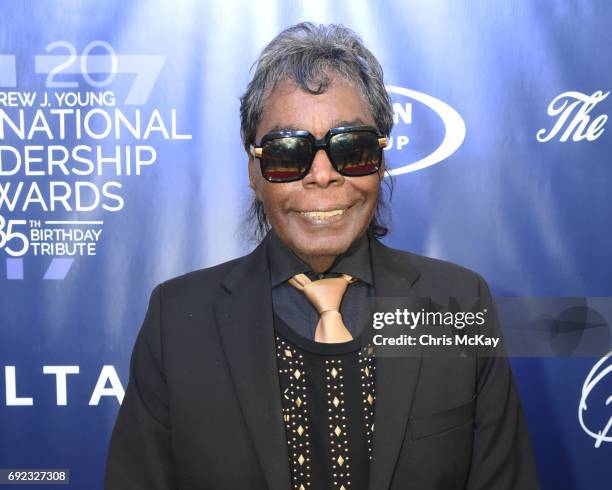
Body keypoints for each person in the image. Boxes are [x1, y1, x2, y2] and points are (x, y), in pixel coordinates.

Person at [105, 22, 540, 490]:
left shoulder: (459, 303)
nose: (322, 175)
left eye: (350, 148)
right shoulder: (179, 320)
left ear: (380, 160)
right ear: (254, 170)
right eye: (288, 152)